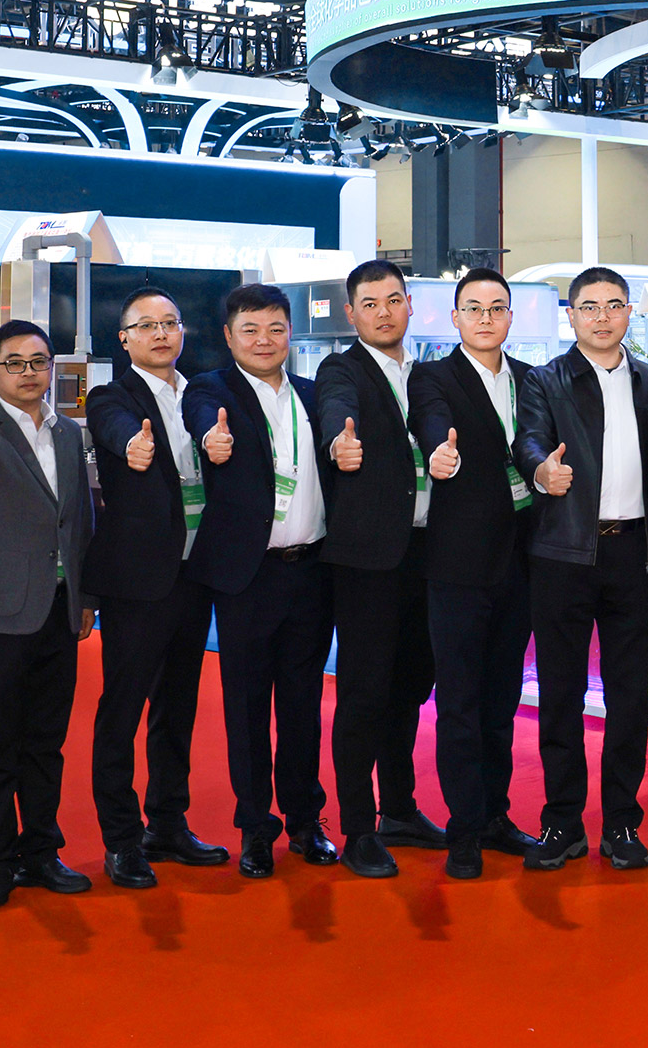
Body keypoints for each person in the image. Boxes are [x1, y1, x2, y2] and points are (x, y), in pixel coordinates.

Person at [517, 266, 648, 872]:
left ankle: (622, 824)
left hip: (634, 555)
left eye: (613, 304)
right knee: (561, 692)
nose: (602, 316)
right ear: (571, 315)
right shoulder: (545, 380)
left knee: (630, 695)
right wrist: (541, 471)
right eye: (589, 306)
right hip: (563, 553)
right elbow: (528, 440)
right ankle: (561, 823)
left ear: (630, 312)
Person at [0, 320, 98, 908]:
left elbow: (80, 522)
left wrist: (86, 599)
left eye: (38, 361)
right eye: (14, 363)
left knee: (45, 742)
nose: (28, 372)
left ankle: (41, 852)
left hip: (60, 609)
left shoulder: (68, 432)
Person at [187, 284, 338, 879]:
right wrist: (212, 438)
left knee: (303, 705)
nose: (264, 340)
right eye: (250, 330)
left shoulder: (312, 394)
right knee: (247, 708)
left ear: (291, 333)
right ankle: (255, 827)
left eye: (276, 328)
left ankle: (304, 821)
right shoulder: (212, 391)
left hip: (312, 572)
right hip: (248, 578)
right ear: (229, 337)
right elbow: (202, 419)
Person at [83, 288, 229, 887]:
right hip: (139, 582)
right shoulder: (111, 397)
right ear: (125, 339)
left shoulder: (203, 394)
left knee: (178, 707)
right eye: (146, 325)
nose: (161, 333)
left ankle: (168, 823)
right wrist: (132, 445)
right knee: (123, 709)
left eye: (170, 323)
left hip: (195, 574)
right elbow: (114, 427)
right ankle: (121, 840)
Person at [314, 261, 445, 881]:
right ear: (352, 314)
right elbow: (334, 410)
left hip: (428, 555)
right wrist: (338, 444)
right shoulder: (341, 370)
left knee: (410, 687)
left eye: (394, 300)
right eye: (370, 304)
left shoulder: (427, 374)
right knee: (364, 694)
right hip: (367, 560)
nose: (384, 313)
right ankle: (359, 828)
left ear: (410, 304)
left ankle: (399, 809)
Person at [409, 269, 542, 878]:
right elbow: (431, 421)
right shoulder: (433, 377)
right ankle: (464, 829)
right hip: (459, 566)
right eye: (473, 308)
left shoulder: (533, 380)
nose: (486, 318)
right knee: (460, 702)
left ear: (510, 317)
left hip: (522, 562)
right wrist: (441, 451)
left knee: (501, 700)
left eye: (496, 308)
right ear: (455, 318)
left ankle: (495, 816)